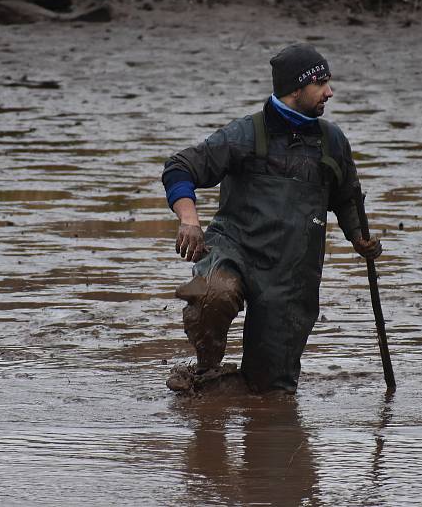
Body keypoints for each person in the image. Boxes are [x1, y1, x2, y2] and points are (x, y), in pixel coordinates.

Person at [162, 43, 382, 393]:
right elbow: (180, 167)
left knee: (271, 395)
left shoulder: (333, 141)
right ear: (296, 89)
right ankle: (205, 368)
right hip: (233, 252)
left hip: (292, 274)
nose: (330, 92)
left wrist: (358, 237)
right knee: (212, 295)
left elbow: (347, 196)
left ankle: (222, 393)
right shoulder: (246, 134)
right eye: (321, 83)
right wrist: (189, 219)